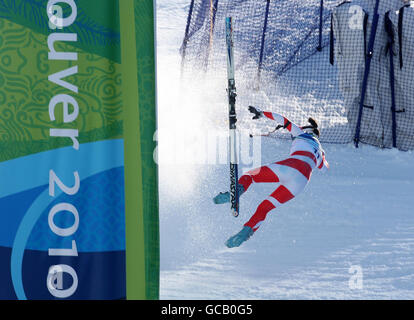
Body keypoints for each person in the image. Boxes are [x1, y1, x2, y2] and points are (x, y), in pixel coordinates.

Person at [214, 106, 329, 248]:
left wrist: (261, 114)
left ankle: (237, 191)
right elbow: (324, 168)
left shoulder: (302, 134)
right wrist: (321, 156)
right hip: (301, 181)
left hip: (293, 166)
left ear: (307, 130)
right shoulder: (320, 152)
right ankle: (246, 232)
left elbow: (283, 119)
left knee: (250, 176)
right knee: (264, 208)